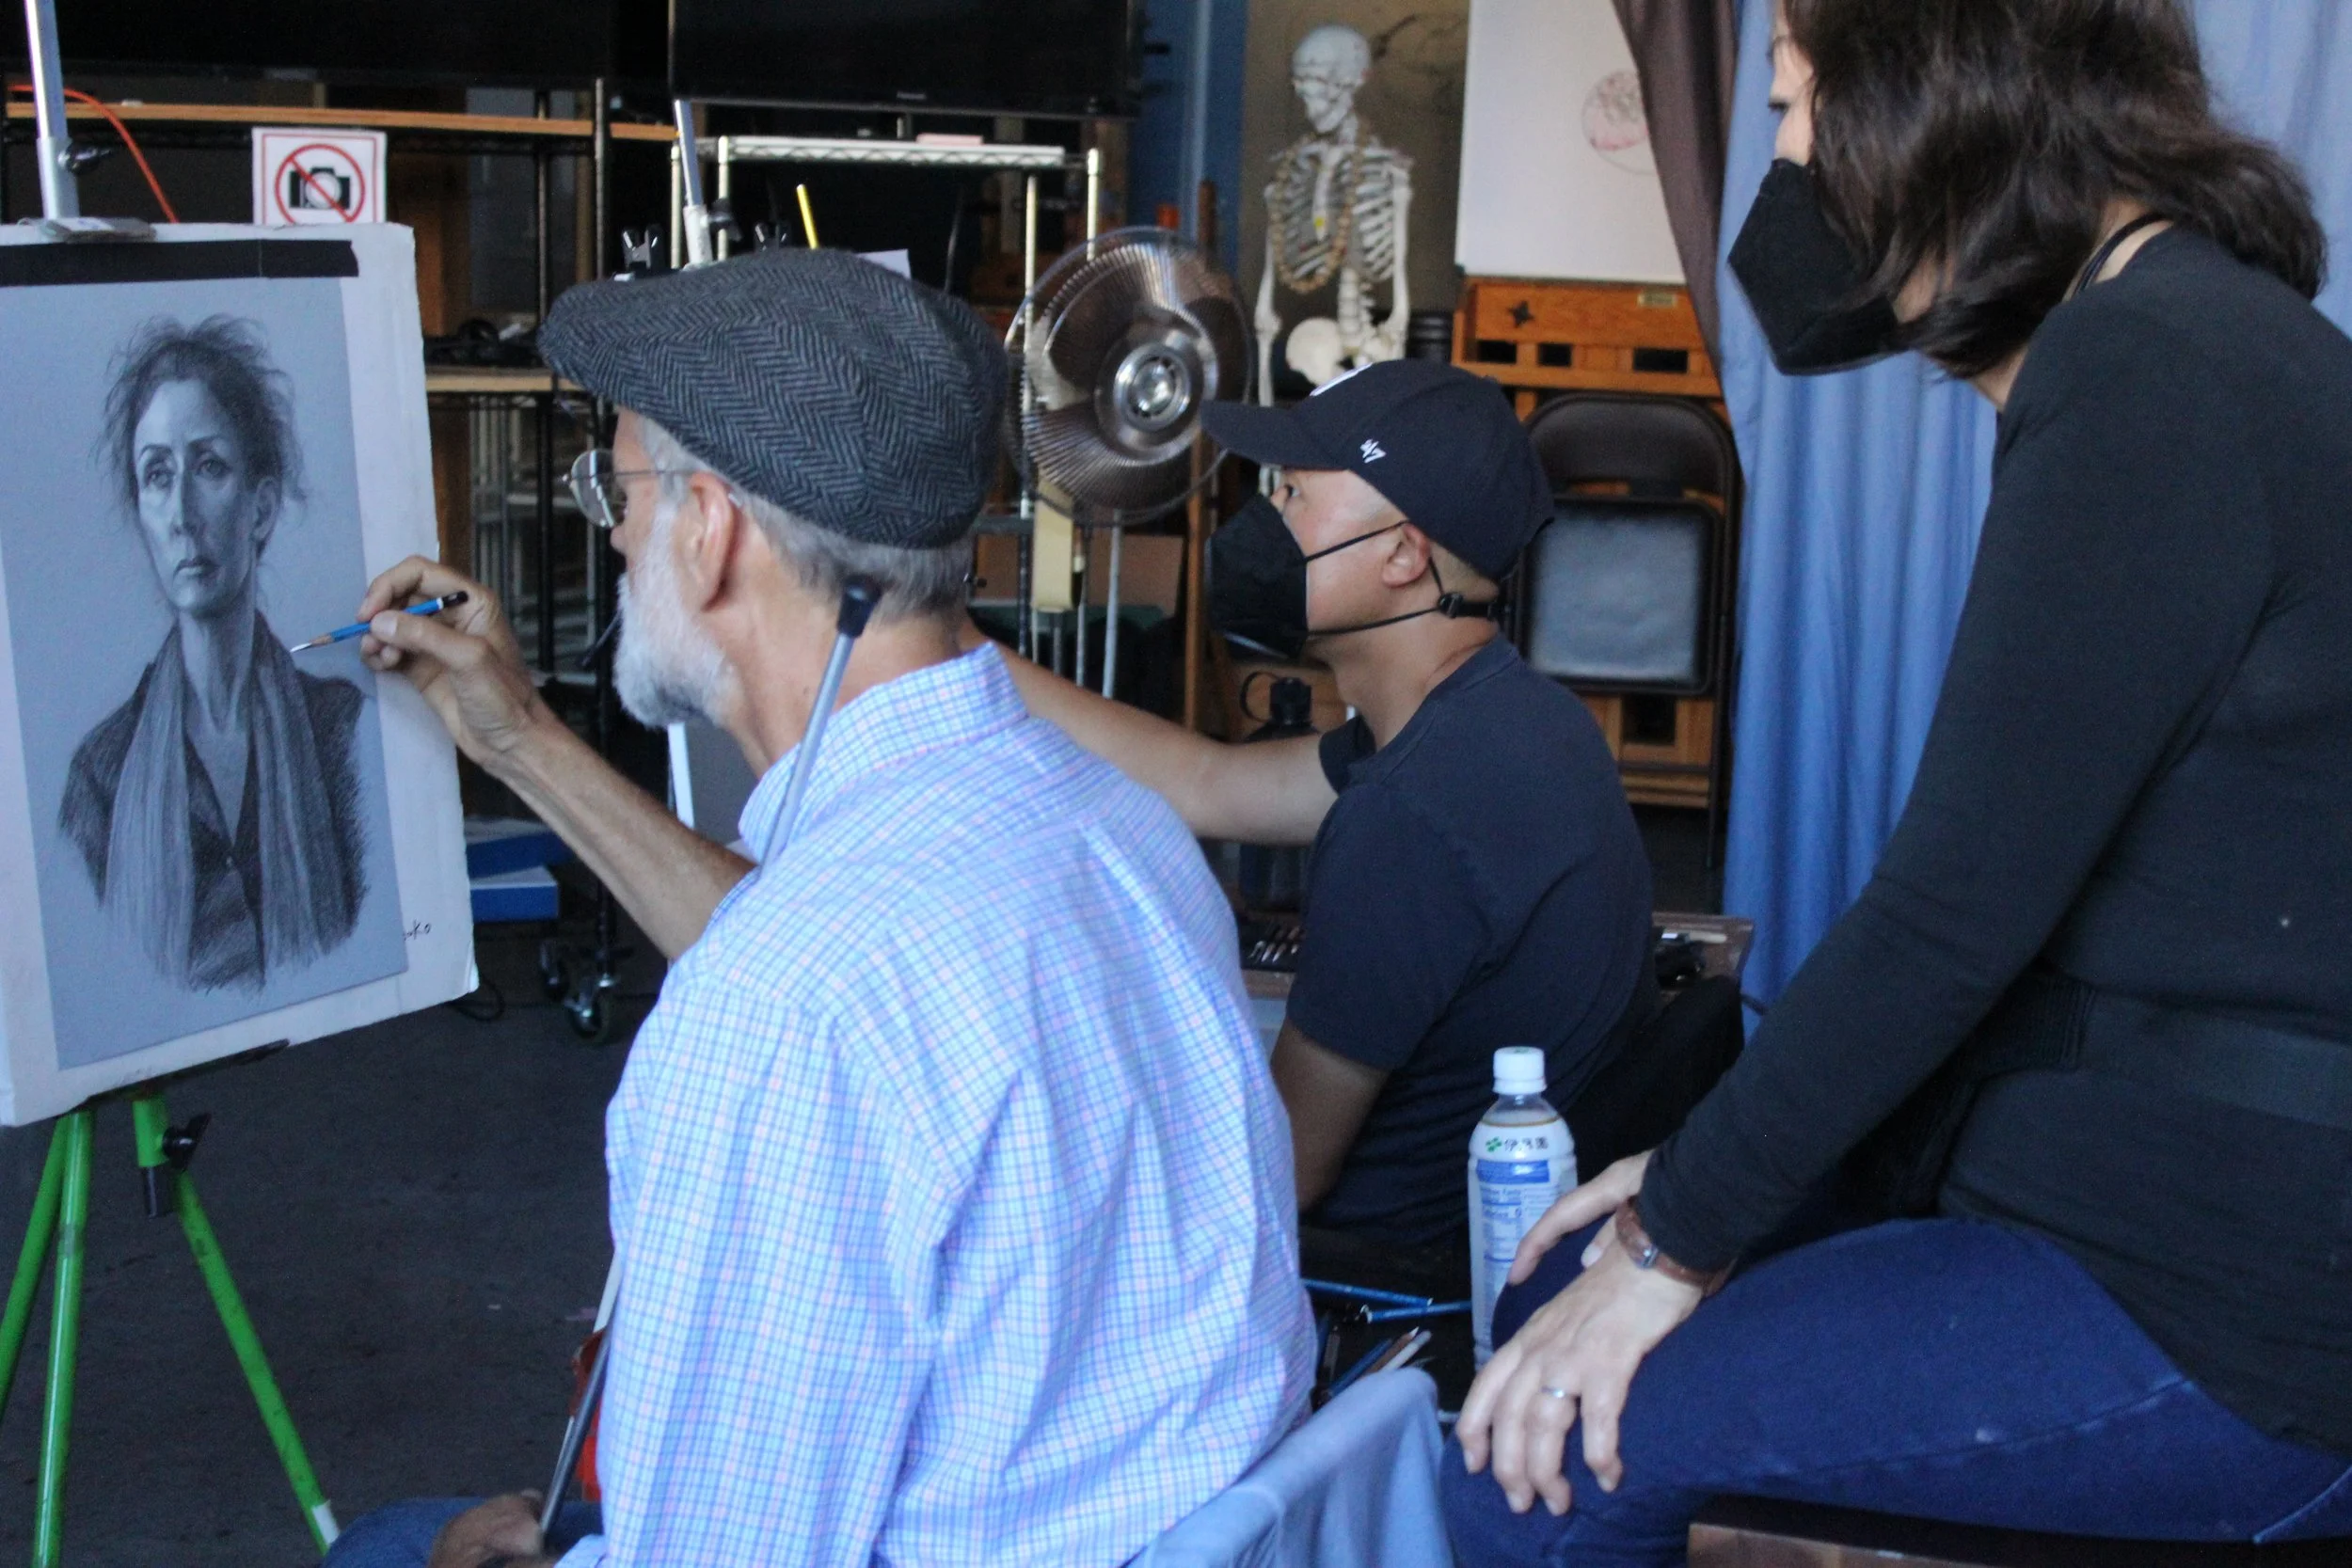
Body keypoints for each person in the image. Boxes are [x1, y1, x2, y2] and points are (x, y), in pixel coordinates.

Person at [1443, 2, 2352, 1560]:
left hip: (2232, 1306)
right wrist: (1693, 1188)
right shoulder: (2185, 336)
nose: (1788, 161)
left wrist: (1679, 1238)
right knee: (1546, 1300)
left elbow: (1951, 916)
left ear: (1933, 104)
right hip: (2146, 1204)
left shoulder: (2150, 369)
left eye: (1795, 106)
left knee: (1536, 1452)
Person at [324, 246, 1314, 1568]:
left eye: (617, 490)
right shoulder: (1116, 825)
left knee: (392, 1545)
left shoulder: (784, 1008)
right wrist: (519, 741)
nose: (610, 534)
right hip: (1160, 1509)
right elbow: (825, 959)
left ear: (710, 528)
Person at [983, 358, 1656, 1277]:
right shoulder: (1510, 720)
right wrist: (956, 649)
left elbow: (1283, 1168)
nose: (1265, 516)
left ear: (1401, 556)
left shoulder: (1410, 816)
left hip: (1366, 1277)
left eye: (1295, 493)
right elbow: (1210, 781)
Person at [62, 314, 366, 991]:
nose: (181, 514)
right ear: (140, 513)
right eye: (157, 475)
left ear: (261, 508)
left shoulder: (344, 735)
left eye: (209, 467)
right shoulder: (100, 777)